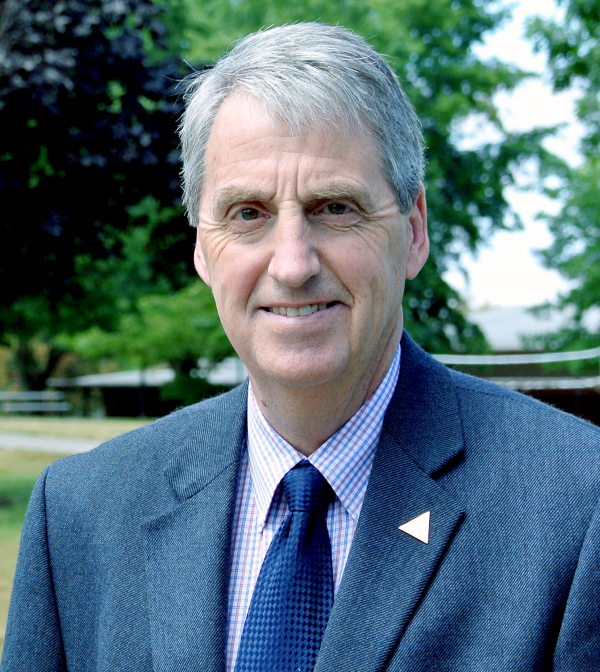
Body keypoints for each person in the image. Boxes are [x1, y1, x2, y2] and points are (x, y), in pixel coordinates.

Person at [3, 22, 600, 672]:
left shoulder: (575, 506)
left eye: (335, 208)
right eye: (247, 214)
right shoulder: (83, 514)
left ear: (415, 232)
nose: (291, 264)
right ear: (202, 247)